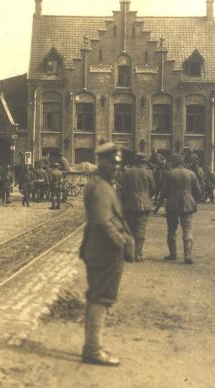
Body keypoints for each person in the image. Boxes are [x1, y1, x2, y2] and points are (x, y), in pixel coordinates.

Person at [79, 143, 134, 366]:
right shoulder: (100, 186)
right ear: (101, 161)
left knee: (96, 296)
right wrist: (122, 242)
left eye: (118, 163)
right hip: (105, 251)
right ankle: (93, 350)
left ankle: (91, 345)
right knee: (102, 297)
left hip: (98, 249)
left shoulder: (102, 183)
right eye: (112, 162)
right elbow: (103, 221)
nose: (116, 167)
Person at [159, 153, 201, 264]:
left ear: (174, 162)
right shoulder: (191, 173)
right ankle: (187, 255)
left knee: (172, 230)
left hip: (172, 204)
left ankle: (173, 254)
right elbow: (198, 191)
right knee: (187, 229)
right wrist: (194, 201)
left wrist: (161, 201)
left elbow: (163, 192)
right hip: (188, 203)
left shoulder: (169, 174)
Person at [119, 153, 156, 262]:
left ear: (134, 161)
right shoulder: (148, 172)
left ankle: (128, 253)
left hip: (128, 204)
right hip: (144, 205)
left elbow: (122, 189)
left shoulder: (126, 172)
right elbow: (153, 188)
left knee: (129, 228)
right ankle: (138, 254)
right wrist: (145, 197)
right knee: (140, 229)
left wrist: (127, 198)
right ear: (144, 162)